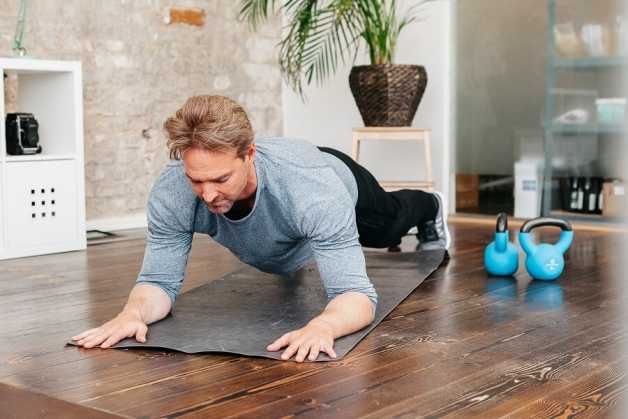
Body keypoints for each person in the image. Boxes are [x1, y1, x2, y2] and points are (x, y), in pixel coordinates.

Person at [71, 95, 449, 362]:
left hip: (336, 177)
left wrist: (325, 325)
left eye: (219, 178)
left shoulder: (312, 192)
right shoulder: (173, 192)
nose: (206, 194)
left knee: (388, 228)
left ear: (249, 154)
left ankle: (430, 205)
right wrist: (132, 313)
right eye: (195, 179)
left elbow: (356, 294)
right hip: (294, 196)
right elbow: (158, 280)